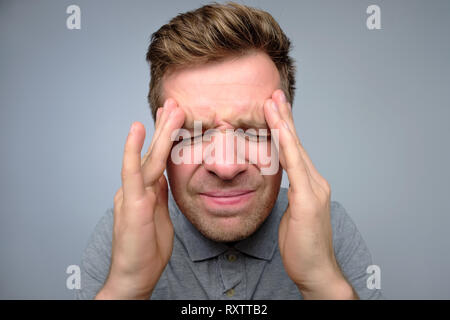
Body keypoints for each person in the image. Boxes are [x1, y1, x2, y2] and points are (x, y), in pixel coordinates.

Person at [76, 2, 383, 300]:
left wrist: (322, 284)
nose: (225, 166)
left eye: (254, 131)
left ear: (287, 134)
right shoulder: (127, 226)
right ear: (162, 143)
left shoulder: (328, 224)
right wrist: (127, 288)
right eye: (193, 133)